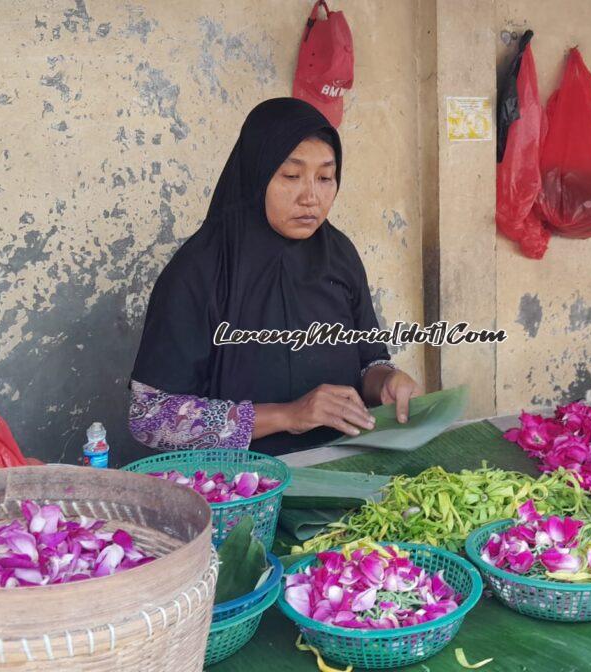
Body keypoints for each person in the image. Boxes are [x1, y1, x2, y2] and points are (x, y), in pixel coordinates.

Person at [128, 98, 421, 456]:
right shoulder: (200, 268)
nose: (311, 197)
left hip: (344, 472)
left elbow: (369, 361)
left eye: (325, 177)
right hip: (242, 490)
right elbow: (151, 417)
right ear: (257, 172)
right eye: (291, 176)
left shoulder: (340, 254)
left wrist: (386, 382)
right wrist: (288, 415)